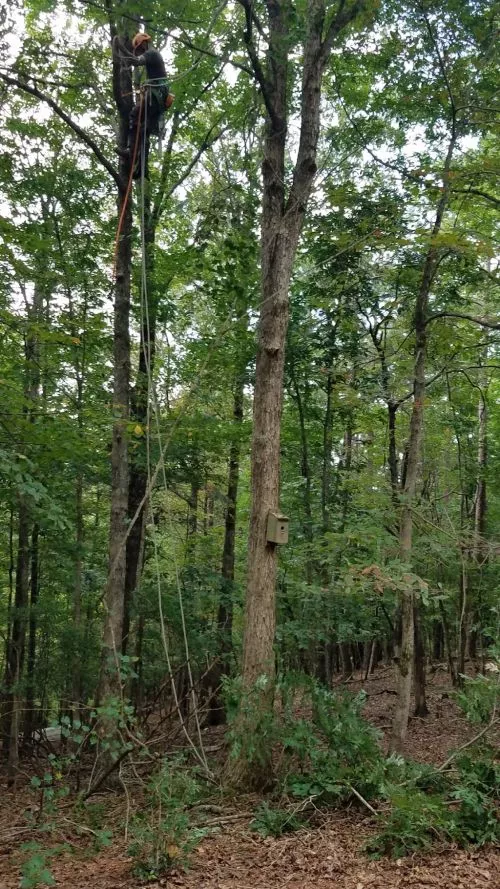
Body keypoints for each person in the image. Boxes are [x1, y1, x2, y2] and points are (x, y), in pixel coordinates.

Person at [128, 32, 174, 179]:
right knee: (144, 131)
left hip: (154, 96)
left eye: (141, 49)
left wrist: (124, 57)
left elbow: (137, 61)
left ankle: (130, 151)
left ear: (144, 44)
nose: (141, 52)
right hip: (158, 99)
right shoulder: (154, 56)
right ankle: (142, 168)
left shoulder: (152, 54)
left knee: (135, 116)